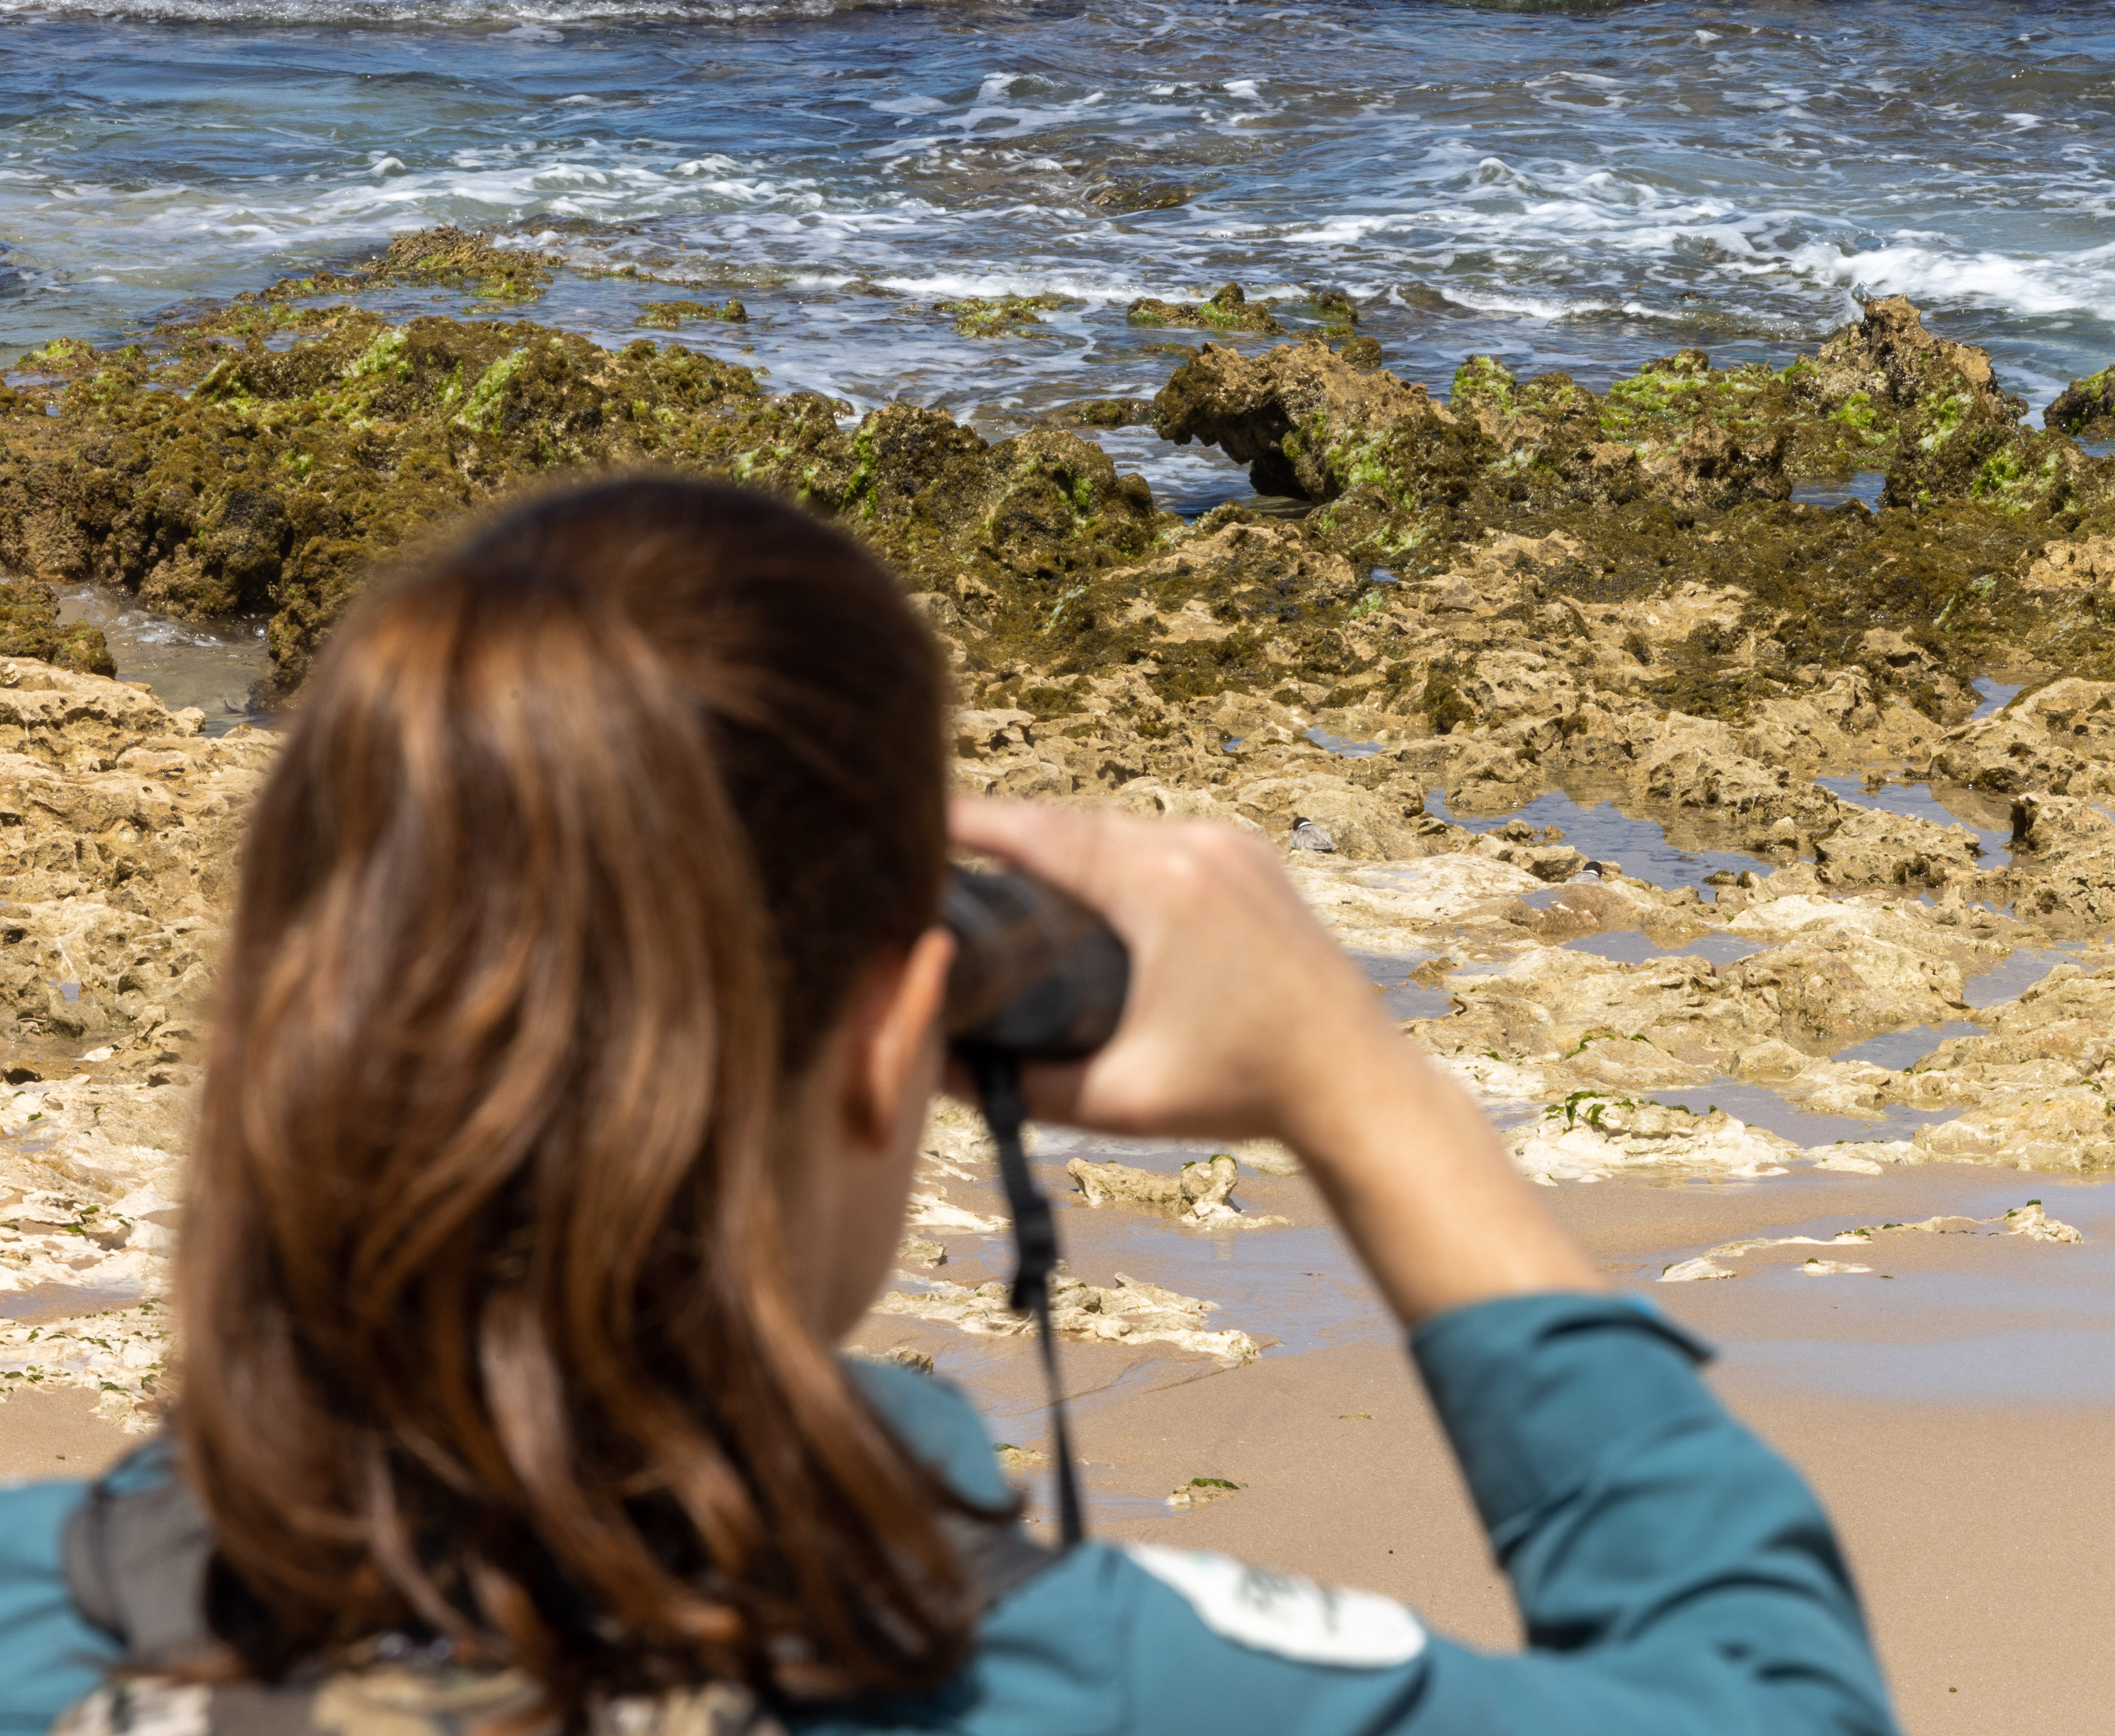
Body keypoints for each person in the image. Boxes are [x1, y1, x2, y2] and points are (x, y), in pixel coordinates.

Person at [0, 477, 1897, 1734]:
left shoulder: (53, 1620)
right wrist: (1350, 1073)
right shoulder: (1065, 1677)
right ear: (901, 1037)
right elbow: (1771, 1691)